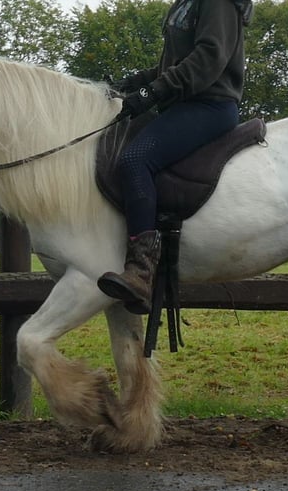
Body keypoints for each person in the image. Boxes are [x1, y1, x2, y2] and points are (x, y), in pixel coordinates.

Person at [97, 0, 252, 315]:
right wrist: (136, 83)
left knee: (135, 160)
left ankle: (141, 271)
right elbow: (175, 64)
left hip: (209, 105)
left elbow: (209, 57)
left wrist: (153, 93)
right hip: (184, 105)